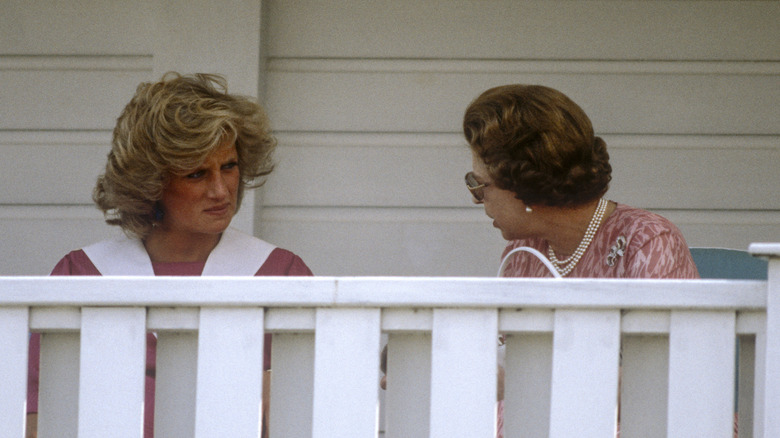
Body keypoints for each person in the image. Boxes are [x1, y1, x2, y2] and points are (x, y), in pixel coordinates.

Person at [26, 72, 312, 438]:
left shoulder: (280, 273)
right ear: (151, 182)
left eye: (229, 166)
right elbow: (37, 415)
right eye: (197, 174)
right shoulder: (82, 274)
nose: (221, 190)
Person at [462, 84, 699, 436]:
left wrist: (517, 382)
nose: (476, 200)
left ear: (523, 182)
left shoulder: (646, 240)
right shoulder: (522, 253)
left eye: (479, 185)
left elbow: (659, 380)